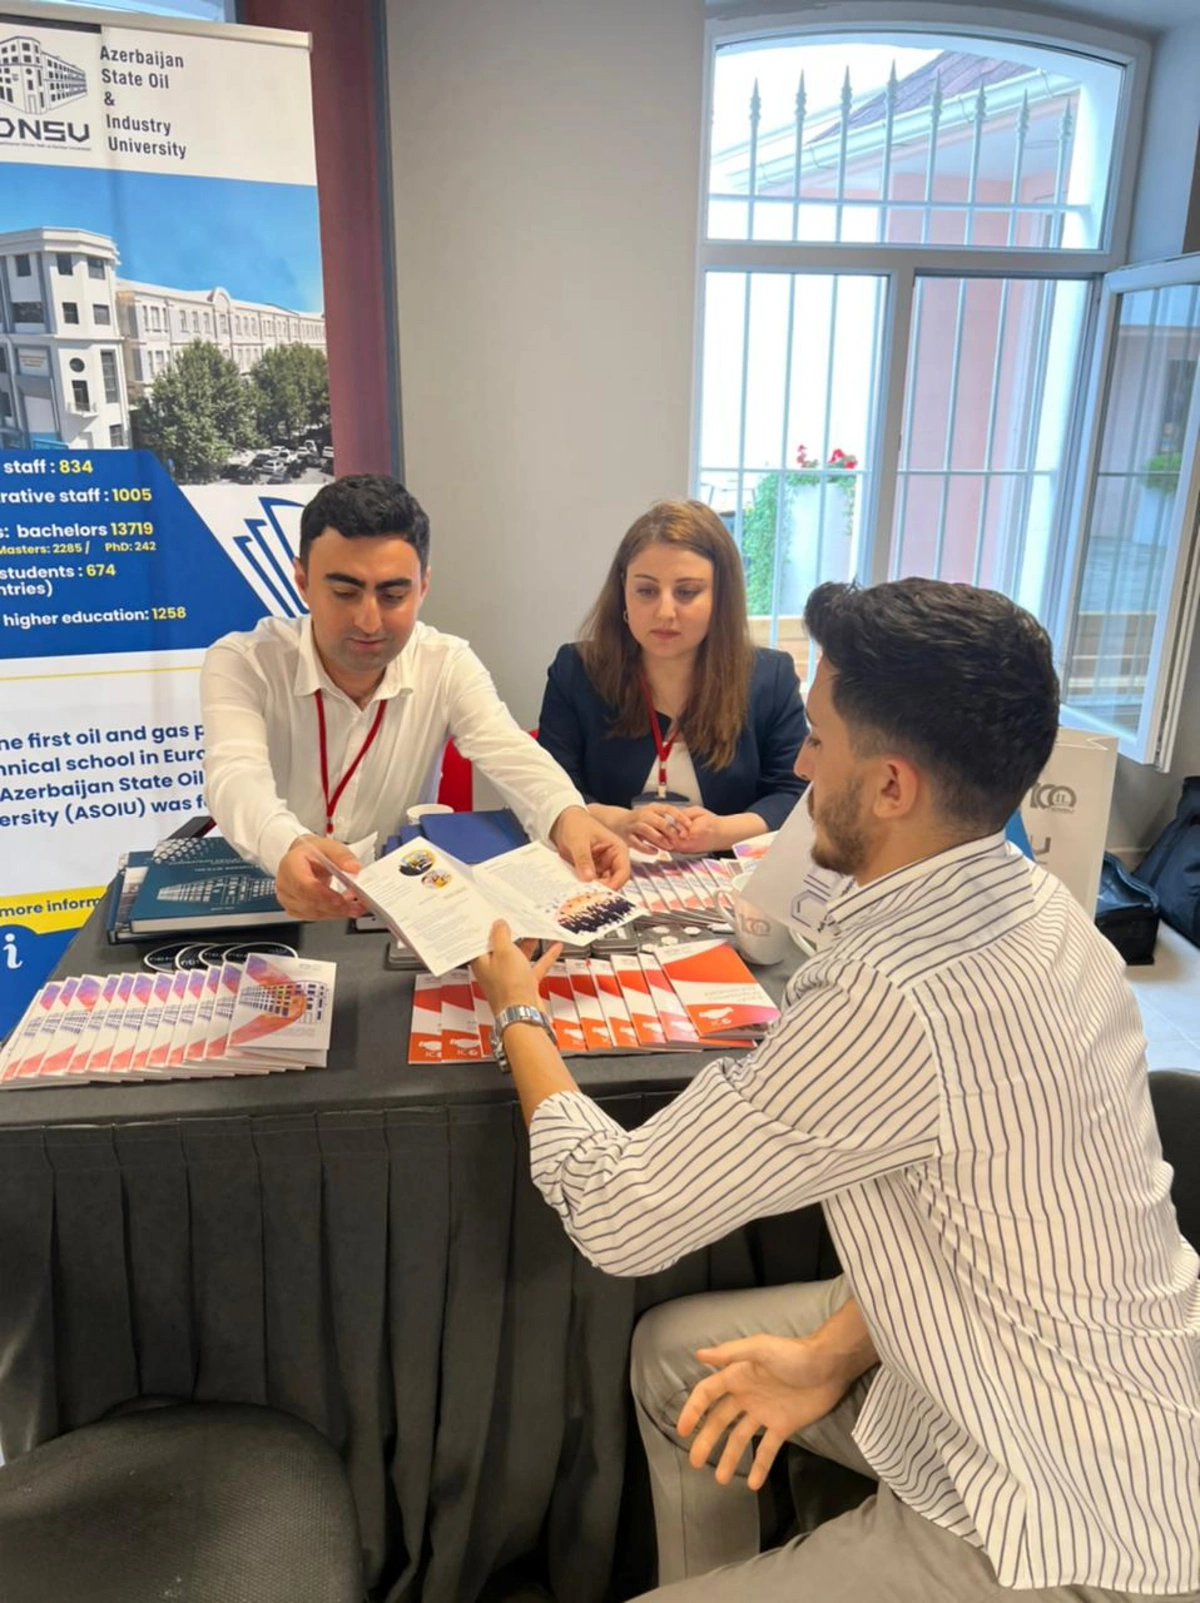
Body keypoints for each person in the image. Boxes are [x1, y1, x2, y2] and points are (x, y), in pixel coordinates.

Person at [472, 577, 1200, 1603]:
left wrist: (517, 1009)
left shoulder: (890, 992)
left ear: (893, 785)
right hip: (1063, 1382)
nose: (803, 767)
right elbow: (990, 1230)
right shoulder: (1052, 915)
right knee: (678, 1358)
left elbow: (617, 1213)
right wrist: (827, 1351)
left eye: (818, 740)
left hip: (1058, 1517)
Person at [201, 474, 627, 920]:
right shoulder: (244, 662)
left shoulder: (445, 662)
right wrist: (287, 844)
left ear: (423, 586)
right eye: (344, 593)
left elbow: (509, 750)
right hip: (275, 893)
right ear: (302, 581)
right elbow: (235, 775)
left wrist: (567, 815)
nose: (369, 622)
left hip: (397, 908)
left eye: (393, 595)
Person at [536, 500, 807, 857]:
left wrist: (722, 832)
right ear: (624, 592)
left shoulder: (771, 678)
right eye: (647, 591)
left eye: (687, 592)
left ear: (720, 597)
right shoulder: (576, 670)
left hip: (725, 877)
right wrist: (617, 821)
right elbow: (549, 787)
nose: (665, 612)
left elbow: (795, 794)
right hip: (606, 869)